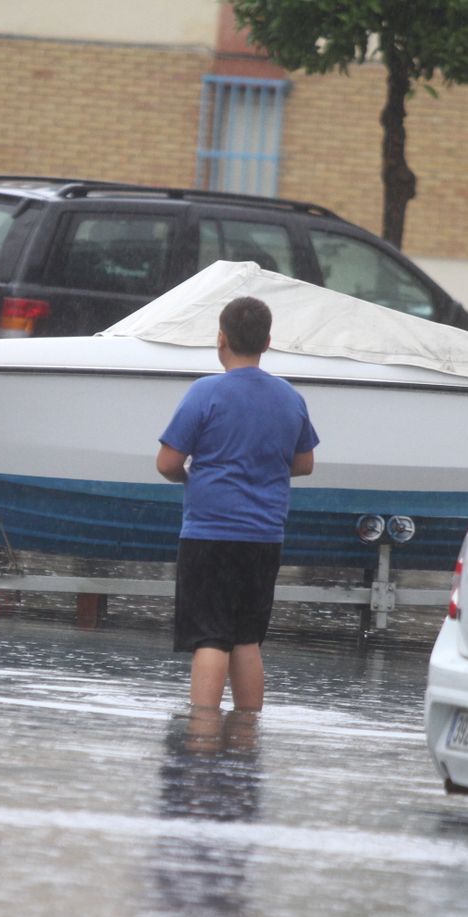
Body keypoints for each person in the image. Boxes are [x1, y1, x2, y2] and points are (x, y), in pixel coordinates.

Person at [156, 296, 319, 714]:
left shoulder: (206, 392)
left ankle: (203, 735)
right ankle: (247, 734)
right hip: (265, 536)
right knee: (246, 639)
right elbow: (304, 464)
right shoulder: (289, 398)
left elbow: (168, 462)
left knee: (210, 638)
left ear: (221, 339)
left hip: (210, 534)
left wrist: (189, 477)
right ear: (267, 342)